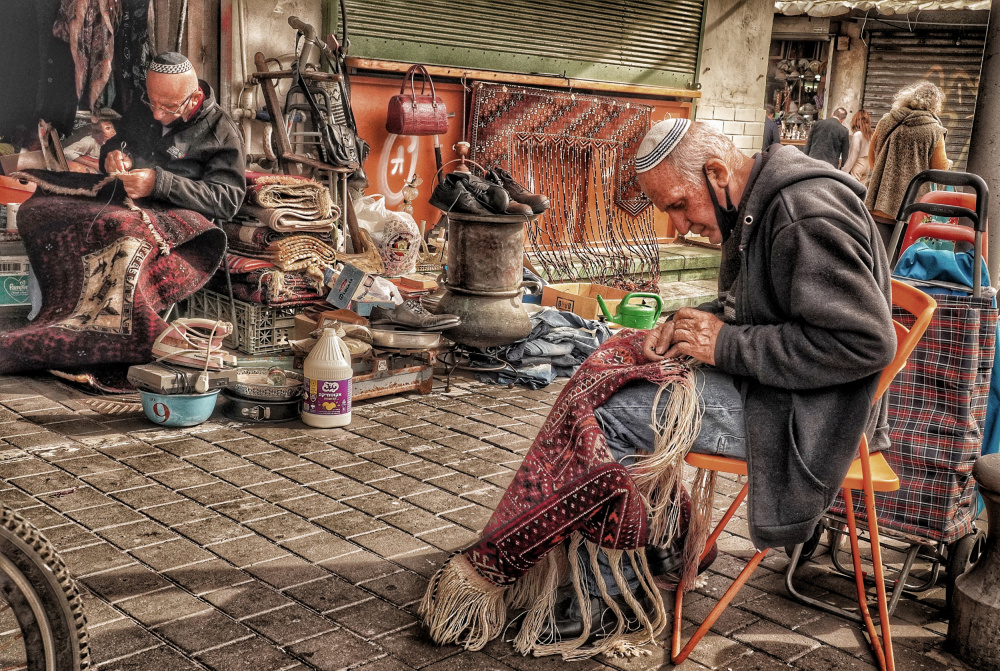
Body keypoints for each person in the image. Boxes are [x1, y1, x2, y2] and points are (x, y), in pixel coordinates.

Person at [419, 118, 897, 656]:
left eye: (678, 205)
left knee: (611, 420)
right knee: (608, 370)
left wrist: (722, 345)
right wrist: (692, 323)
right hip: (783, 387)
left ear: (717, 174)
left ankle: (606, 602)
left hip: (814, 414)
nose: (680, 225)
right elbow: (769, 307)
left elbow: (864, 344)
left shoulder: (800, 214)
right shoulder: (764, 200)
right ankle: (666, 548)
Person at [100, 52, 245, 220]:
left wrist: (159, 184)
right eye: (152, 102)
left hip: (183, 226)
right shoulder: (142, 106)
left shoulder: (222, 133)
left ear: (194, 98)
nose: (157, 114)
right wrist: (113, 156)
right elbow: (117, 142)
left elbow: (226, 201)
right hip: (129, 210)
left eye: (169, 107)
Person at [866, 81, 951, 244]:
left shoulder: (887, 121)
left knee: (878, 258)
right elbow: (940, 170)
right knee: (903, 262)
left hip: (879, 204)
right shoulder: (934, 130)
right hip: (912, 209)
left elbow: (872, 158)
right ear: (935, 105)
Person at [841, 109, 873, 185]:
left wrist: (844, 170)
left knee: (853, 188)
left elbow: (853, 155)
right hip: (867, 164)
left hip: (858, 163)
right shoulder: (871, 134)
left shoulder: (857, 134)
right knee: (862, 189)